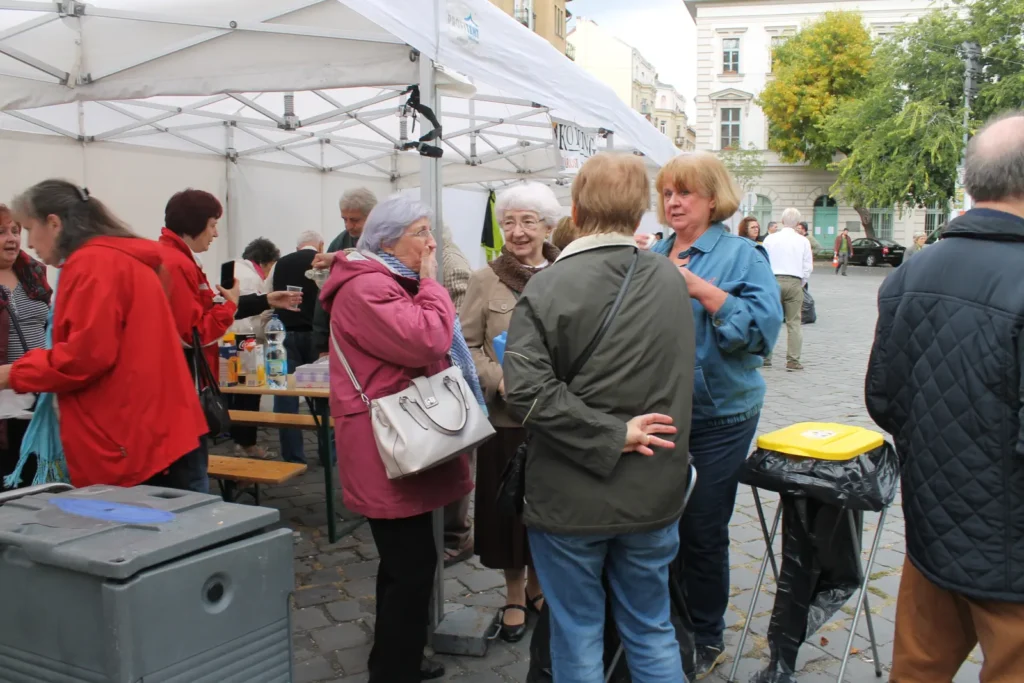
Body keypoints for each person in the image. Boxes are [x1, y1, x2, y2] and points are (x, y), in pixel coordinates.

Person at [503, 153, 694, 683]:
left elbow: (525, 392)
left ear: (576, 209)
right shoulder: (672, 279)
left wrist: (611, 433)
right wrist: (619, 433)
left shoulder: (546, 285)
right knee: (651, 628)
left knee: (579, 633)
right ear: (639, 214)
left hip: (571, 499)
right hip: (653, 488)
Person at [865, 111, 1024, 682]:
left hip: (932, 526)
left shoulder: (915, 267)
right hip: (1011, 554)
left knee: (917, 671)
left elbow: (883, 399)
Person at [320, 194, 480, 683]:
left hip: (393, 441)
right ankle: (393, 670)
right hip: (385, 445)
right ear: (389, 239)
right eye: (420, 233)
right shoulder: (369, 286)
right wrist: (432, 286)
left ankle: (396, 660)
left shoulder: (378, 279)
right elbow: (426, 339)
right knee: (410, 566)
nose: (431, 243)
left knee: (405, 563)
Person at [650, 151, 782, 678]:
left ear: (712, 198)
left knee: (703, 527)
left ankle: (706, 634)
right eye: (667, 193)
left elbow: (759, 334)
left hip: (721, 415)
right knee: (661, 526)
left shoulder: (741, 254)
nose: (674, 202)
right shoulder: (655, 252)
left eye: (685, 192)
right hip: (662, 415)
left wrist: (698, 288)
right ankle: (667, 624)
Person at [0, 180, 208, 490]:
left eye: (29, 229)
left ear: (53, 223)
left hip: (136, 443)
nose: (28, 243)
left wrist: (12, 373)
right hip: (158, 433)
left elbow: (84, 358)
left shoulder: (92, 264)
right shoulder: (119, 257)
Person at [461, 182, 561, 641]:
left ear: (547, 226)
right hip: (506, 418)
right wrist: (494, 378)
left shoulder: (567, 274)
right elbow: (467, 344)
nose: (517, 232)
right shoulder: (486, 279)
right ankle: (515, 594)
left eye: (527, 221)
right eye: (509, 222)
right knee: (507, 513)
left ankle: (543, 587)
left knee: (549, 508)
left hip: (557, 419)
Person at [0, 204, 50, 490]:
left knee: (36, 480)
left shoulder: (33, 273)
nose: (12, 238)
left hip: (37, 396)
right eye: (1, 232)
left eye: (15, 231)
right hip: (5, 403)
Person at [271, 230, 324, 464]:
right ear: (319, 245)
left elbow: (269, 295)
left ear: (297, 246)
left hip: (285, 336)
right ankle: (327, 453)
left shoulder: (280, 264)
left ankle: (293, 456)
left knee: (285, 396)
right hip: (316, 337)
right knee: (323, 396)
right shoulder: (321, 262)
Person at [229, 237, 280, 460]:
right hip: (245, 342)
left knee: (234, 394)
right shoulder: (251, 278)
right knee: (249, 396)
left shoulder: (234, 268)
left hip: (227, 339)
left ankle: (239, 440)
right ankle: (247, 446)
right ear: (265, 262)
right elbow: (248, 317)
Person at [312, 187, 378, 357]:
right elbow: (325, 293)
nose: (348, 226)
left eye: (354, 220)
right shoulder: (340, 241)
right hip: (348, 335)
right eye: (344, 219)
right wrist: (321, 343)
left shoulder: (389, 241)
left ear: (373, 216)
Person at [763, 208, 813, 371]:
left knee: (770, 319)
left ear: (782, 221)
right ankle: (793, 360)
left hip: (773, 280)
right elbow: (807, 267)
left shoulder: (770, 239)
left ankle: (765, 356)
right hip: (794, 281)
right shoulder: (803, 241)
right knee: (794, 323)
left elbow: (762, 262)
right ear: (798, 224)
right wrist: (801, 282)